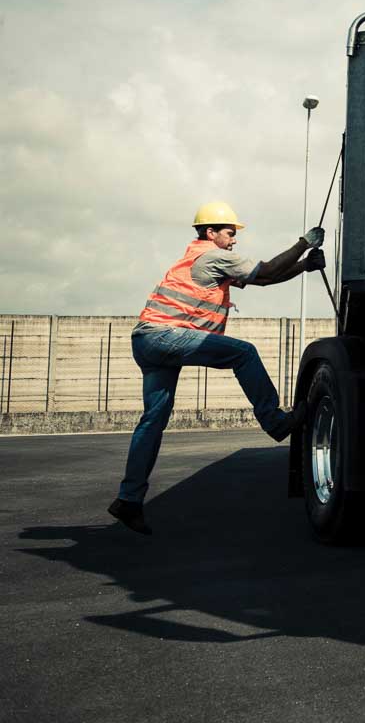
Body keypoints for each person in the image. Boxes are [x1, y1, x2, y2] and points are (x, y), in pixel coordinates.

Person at [107, 201, 326, 535]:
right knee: (244, 353)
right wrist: (303, 245)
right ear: (210, 233)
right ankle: (275, 421)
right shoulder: (214, 255)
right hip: (167, 337)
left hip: (148, 341)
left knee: (153, 420)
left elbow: (263, 280)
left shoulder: (197, 257)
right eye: (229, 232)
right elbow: (266, 271)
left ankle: (129, 500)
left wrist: (303, 267)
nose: (234, 239)